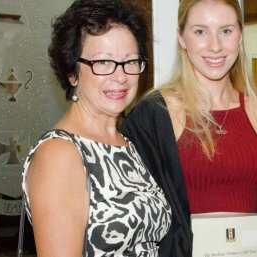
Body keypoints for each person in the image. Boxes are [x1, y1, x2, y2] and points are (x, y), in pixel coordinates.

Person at [121, 0, 257, 256]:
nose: (215, 45)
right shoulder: (154, 116)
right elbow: (135, 219)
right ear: (181, 37)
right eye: (200, 31)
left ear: (240, 35)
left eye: (226, 30)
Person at [21, 0, 172, 256]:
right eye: (103, 62)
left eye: (130, 61)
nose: (121, 76)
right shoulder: (60, 154)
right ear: (72, 73)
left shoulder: (127, 144)